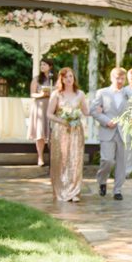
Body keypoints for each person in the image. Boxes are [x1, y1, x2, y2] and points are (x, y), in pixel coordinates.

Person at [46, 67, 89, 202]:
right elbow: (49, 114)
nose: (69, 79)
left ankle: (74, 191)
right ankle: (61, 189)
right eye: (66, 77)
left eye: (71, 76)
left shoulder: (80, 94)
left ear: (74, 78)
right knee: (61, 160)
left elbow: (86, 112)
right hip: (60, 131)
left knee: (75, 160)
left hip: (76, 131)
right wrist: (62, 120)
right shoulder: (57, 94)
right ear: (62, 79)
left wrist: (99, 108)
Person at [91, 68, 132, 200]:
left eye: (122, 79)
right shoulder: (102, 93)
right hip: (107, 131)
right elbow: (94, 110)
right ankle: (102, 181)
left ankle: (118, 190)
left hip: (124, 132)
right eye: (117, 78)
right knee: (107, 160)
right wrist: (106, 121)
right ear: (111, 78)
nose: (120, 81)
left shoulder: (129, 93)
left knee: (122, 162)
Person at [28, 59, 53, 166]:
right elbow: (32, 94)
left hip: (52, 107)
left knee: (53, 133)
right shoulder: (37, 79)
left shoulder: (55, 79)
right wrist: (42, 94)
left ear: (50, 66)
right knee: (40, 133)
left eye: (44, 64)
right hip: (40, 108)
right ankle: (40, 157)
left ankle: (54, 157)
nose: (42, 66)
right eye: (41, 64)